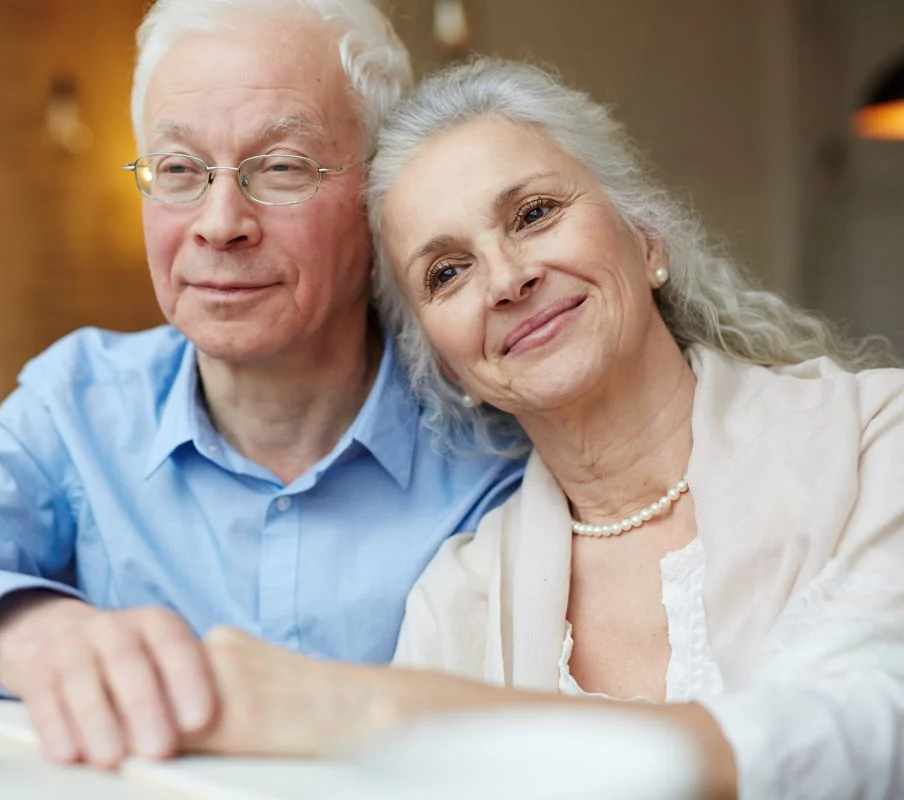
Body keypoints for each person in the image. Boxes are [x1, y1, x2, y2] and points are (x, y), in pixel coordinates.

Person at [0, 4, 525, 770]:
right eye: (178, 170)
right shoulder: (82, 403)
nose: (219, 223)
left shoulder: (495, 422)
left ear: (379, 195)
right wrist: (34, 632)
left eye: (279, 166)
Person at [180, 60, 904, 799]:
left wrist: (400, 712)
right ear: (448, 366)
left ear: (646, 238)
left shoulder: (877, 437)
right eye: (447, 272)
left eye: (533, 214)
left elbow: (871, 726)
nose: (505, 280)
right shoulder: (456, 598)